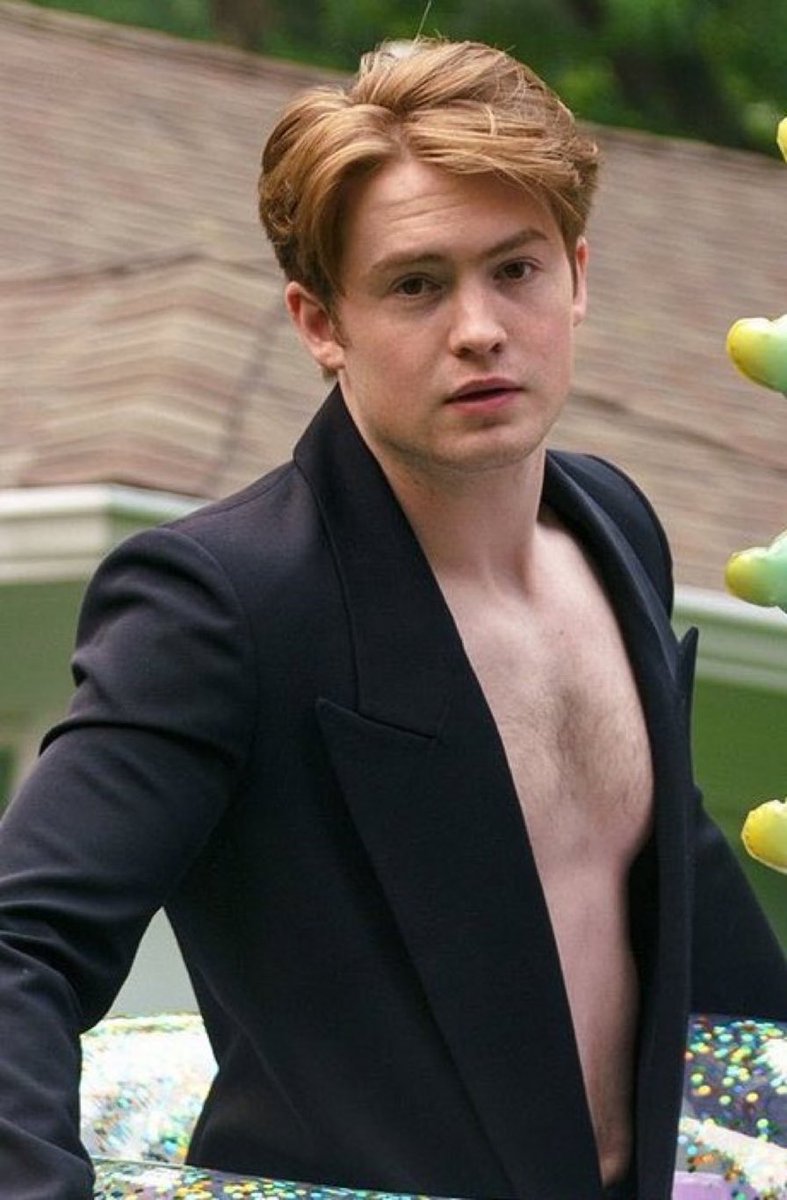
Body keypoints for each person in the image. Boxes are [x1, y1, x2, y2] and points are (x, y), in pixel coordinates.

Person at [0, 38, 784, 1200]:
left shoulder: (616, 524)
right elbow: (21, 945)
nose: (478, 328)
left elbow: (664, 872)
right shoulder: (221, 602)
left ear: (575, 277)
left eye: (514, 270)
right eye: (416, 284)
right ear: (320, 322)